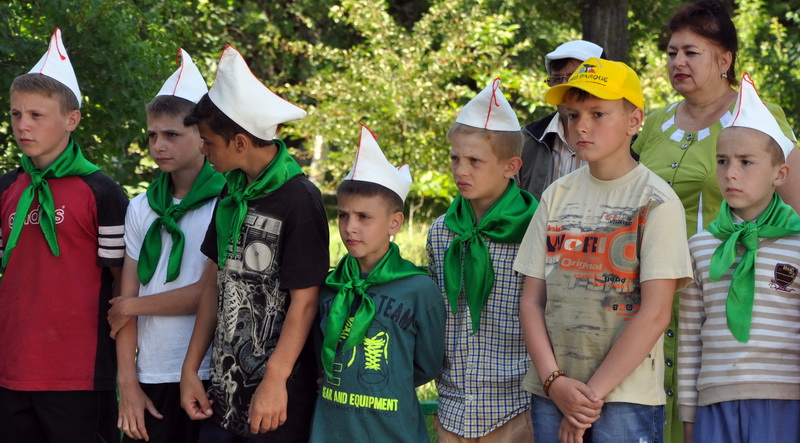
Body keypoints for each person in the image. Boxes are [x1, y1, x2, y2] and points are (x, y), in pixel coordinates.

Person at [631, 2, 799, 440]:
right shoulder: (654, 124)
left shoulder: (760, 118)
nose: (678, 62)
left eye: (691, 52)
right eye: (672, 52)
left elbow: (797, 209)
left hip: (728, 302)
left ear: (725, 60)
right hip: (650, 297)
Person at [514, 58, 693, 442]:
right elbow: (531, 300)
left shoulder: (658, 201)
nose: (581, 126)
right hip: (553, 393)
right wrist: (555, 382)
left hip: (626, 398)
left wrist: (587, 400)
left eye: (598, 114)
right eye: (572, 115)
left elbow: (656, 314)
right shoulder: (555, 196)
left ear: (634, 120)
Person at [179, 45, 329, 442]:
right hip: (222, 394)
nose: (203, 150)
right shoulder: (230, 193)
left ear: (241, 143)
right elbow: (213, 284)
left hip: (276, 401)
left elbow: (305, 302)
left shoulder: (299, 199)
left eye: (209, 142)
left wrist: (275, 381)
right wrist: (191, 369)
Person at [0, 28, 129, 443]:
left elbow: (122, 285)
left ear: (72, 120)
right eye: (16, 114)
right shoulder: (6, 188)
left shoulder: (102, 191)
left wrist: (124, 372)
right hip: (9, 369)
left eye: (36, 115)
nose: (23, 125)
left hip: (79, 374)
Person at [678, 73, 800, 443]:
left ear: (780, 173)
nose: (730, 173)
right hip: (714, 402)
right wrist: (688, 415)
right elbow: (690, 338)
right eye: (722, 161)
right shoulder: (701, 246)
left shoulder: (797, 244)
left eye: (746, 162)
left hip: (784, 401)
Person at [114, 49, 225, 443]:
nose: (158, 145)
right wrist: (128, 383)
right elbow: (125, 297)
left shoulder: (225, 202)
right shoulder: (141, 207)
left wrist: (133, 306)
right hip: (150, 372)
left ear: (203, 138)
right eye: (152, 135)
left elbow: (206, 293)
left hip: (207, 371)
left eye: (172, 135)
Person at [310, 124, 445, 442]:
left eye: (364, 217)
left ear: (394, 223)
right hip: (331, 431)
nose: (350, 228)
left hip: (393, 432)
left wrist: (388, 382)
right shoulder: (330, 285)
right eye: (343, 215)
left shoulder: (418, 290)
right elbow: (319, 352)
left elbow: (427, 365)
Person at [427, 78, 538, 442]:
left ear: (511, 166)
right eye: (455, 158)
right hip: (453, 406)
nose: (461, 170)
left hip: (516, 407)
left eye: (475, 161)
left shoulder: (536, 230)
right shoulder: (442, 231)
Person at [517, 40, 605, 201]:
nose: (564, 88)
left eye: (574, 78)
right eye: (557, 79)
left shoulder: (628, 144)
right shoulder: (526, 141)